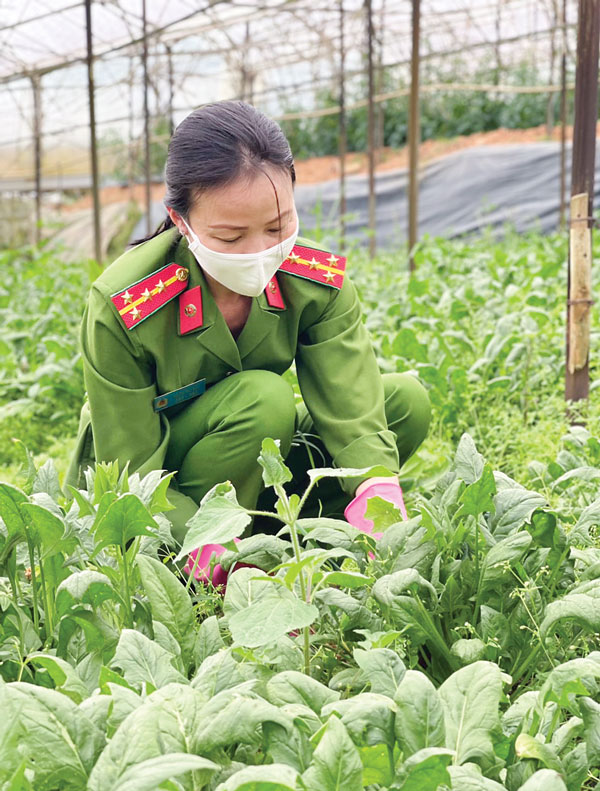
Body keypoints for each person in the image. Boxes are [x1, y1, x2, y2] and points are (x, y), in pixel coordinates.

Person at [63, 100, 431, 585]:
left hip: (256, 459)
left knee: (404, 401)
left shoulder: (315, 282)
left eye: (276, 227)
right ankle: (205, 557)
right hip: (165, 482)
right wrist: (204, 547)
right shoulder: (127, 305)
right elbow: (131, 471)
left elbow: (353, 405)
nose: (260, 252)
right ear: (180, 220)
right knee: (263, 398)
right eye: (232, 237)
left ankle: (288, 541)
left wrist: (376, 487)